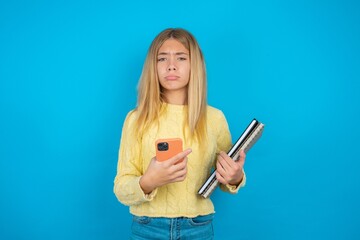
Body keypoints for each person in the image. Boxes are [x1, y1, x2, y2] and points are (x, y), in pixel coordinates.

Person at [113, 28, 246, 239]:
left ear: (195, 65)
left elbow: (224, 179)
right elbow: (121, 188)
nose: (171, 65)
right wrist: (149, 181)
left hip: (198, 227)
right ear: (153, 67)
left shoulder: (215, 118)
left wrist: (235, 176)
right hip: (148, 228)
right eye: (162, 58)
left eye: (181, 58)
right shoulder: (136, 119)